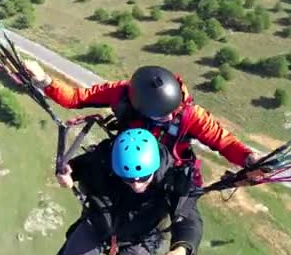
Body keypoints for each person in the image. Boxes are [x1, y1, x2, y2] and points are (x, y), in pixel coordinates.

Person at [23, 61, 262, 185]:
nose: (170, 118)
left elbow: (222, 140)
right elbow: (77, 98)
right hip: (130, 154)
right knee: (103, 156)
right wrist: (44, 80)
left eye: (173, 112)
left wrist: (249, 159)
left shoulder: (190, 113)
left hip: (168, 167)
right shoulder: (121, 93)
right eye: (161, 116)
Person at [41, 128, 203, 255]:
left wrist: (180, 251)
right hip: (98, 224)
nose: (137, 185)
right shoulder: (106, 158)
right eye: (129, 179)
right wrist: (68, 173)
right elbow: (82, 165)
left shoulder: (172, 179)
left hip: (138, 240)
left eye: (144, 177)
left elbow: (189, 219)